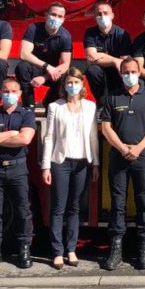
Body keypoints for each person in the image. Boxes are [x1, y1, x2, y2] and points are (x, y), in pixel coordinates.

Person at [100, 58, 145, 271]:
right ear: (121, 73)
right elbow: (106, 128)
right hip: (118, 157)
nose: (130, 74)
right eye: (126, 71)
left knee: (143, 202)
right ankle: (116, 250)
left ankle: (144, 250)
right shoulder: (112, 97)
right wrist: (123, 149)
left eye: (134, 71)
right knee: (118, 204)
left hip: (142, 156)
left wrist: (138, 148)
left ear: (139, 72)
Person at [41, 68, 99, 270]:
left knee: (75, 207)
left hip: (82, 162)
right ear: (64, 85)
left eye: (76, 82)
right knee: (58, 207)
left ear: (83, 85)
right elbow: (49, 137)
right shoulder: (55, 107)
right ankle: (57, 252)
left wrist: (96, 163)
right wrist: (46, 166)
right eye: (69, 82)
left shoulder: (90, 107)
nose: (72, 85)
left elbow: (93, 137)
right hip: (61, 162)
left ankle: (71, 249)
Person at [0, 78, 37, 270]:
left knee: (23, 211)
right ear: (1, 93)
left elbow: (25, 138)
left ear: (20, 94)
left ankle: (24, 250)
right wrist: (12, 134)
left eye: (13, 91)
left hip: (18, 169)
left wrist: (1, 138)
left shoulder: (26, 115)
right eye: (5, 91)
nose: (9, 94)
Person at [15, 2, 72, 110]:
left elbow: (65, 64)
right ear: (46, 15)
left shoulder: (66, 36)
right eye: (53, 14)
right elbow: (24, 54)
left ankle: (49, 103)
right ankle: (29, 106)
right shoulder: (33, 28)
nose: (56, 18)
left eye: (60, 16)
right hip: (35, 68)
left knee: (64, 76)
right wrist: (47, 66)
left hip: (52, 74)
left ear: (64, 19)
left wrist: (44, 77)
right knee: (22, 67)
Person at [84, 2, 132, 102]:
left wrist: (101, 55)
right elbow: (90, 59)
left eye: (105, 13)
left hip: (117, 72)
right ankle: (101, 103)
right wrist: (114, 61)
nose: (102, 16)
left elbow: (124, 62)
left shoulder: (122, 34)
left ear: (112, 15)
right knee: (92, 70)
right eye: (99, 14)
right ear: (95, 17)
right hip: (100, 72)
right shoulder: (90, 33)